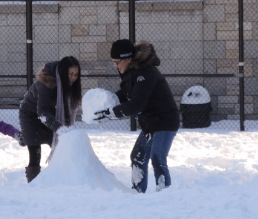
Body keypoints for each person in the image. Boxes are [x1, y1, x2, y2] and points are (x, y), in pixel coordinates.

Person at [94, 39, 180, 193]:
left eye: (117, 62)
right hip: (150, 123)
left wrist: (111, 113)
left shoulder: (145, 73)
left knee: (157, 158)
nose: (116, 66)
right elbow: (126, 95)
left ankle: (165, 195)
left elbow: (136, 104)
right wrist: (106, 102)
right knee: (137, 157)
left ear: (128, 58)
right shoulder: (130, 72)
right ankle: (137, 193)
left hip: (165, 121)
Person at [19, 56, 82, 182]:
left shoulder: (68, 84)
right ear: (64, 73)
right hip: (31, 116)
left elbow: (66, 110)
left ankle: (59, 179)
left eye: (76, 74)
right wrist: (60, 128)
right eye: (70, 74)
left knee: (60, 148)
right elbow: (42, 113)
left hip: (51, 116)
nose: (73, 78)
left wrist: (65, 129)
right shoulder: (46, 83)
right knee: (35, 152)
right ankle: (33, 183)